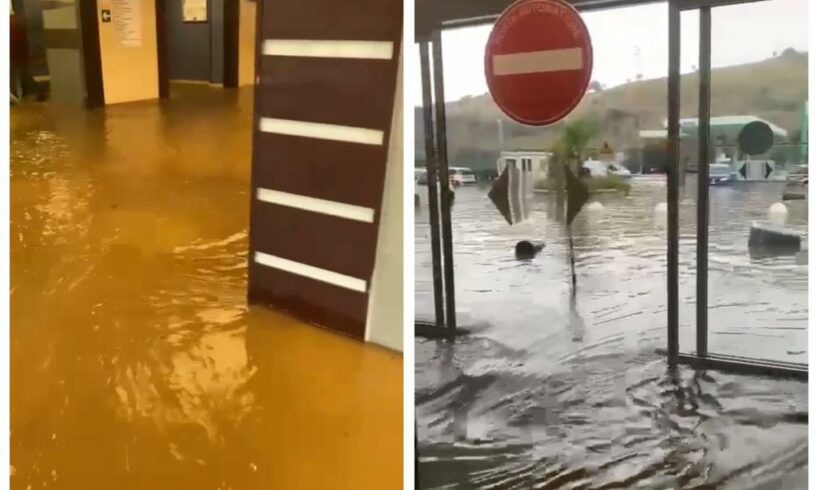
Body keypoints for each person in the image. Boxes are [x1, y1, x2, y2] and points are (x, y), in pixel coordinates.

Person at [10, 9, 45, 102]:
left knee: (17, 78)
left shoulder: (13, 25)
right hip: (17, 60)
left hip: (15, 60)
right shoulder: (14, 24)